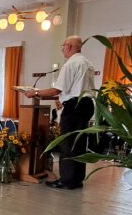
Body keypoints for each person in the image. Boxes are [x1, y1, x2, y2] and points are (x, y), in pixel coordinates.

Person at [25, 35, 95, 190]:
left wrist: (35, 93)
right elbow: (72, 90)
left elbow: (58, 89)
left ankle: (67, 180)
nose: (63, 49)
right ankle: (77, 179)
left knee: (67, 143)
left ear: (69, 46)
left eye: (63, 46)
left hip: (75, 106)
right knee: (79, 142)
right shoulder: (87, 63)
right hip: (86, 104)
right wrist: (59, 98)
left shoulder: (71, 64)